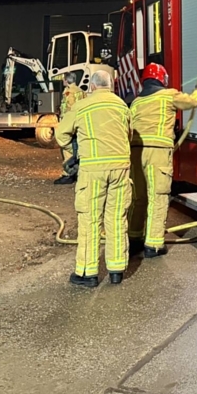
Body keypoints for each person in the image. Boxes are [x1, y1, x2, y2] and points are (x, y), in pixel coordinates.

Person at [55, 70, 132, 287]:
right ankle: (116, 270)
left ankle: (88, 273)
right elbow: (129, 135)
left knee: (90, 219)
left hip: (93, 169)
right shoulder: (121, 105)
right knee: (117, 218)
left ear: (93, 86)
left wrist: (76, 152)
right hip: (120, 168)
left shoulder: (82, 106)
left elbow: (61, 135)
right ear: (110, 85)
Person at [127, 63, 197, 258]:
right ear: (163, 79)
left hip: (135, 153)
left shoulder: (136, 102)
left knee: (139, 197)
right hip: (158, 154)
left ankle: (134, 237)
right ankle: (153, 244)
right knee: (158, 197)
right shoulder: (168, 95)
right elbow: (190, 103)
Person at [54, 73, 86, 185]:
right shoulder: (81, 91)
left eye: (63, 79)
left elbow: (70, 109)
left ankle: (68, 174)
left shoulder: (69, 92)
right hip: (80, 122)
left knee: (66, 147)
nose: (62, 81)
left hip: (70, 123)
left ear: (67, 80)